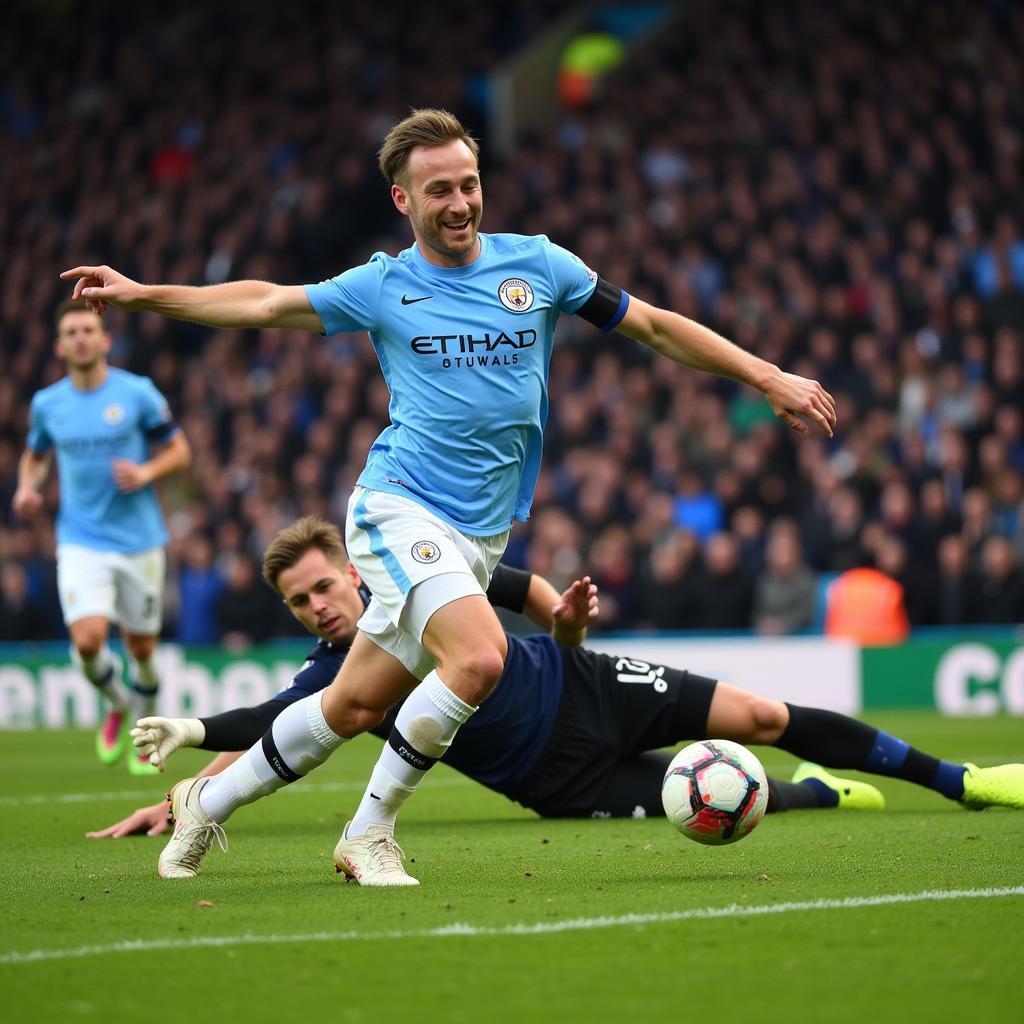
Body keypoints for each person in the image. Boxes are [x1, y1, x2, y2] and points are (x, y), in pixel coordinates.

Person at [62, 108, 837, 885]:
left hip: (480, 534)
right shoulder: (384, 285)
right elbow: (264, 303)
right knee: (479, 657)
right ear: (403, 200)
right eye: (439, 191)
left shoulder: (539, 266)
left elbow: (658, 328)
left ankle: (208, 799)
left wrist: (765, 374)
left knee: (353, 707)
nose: (460, 202)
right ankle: (368, 834)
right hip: (397, 506)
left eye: (469, 184)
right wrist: (142, 297)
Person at [89, 517, 1024, 857]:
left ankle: (960, 780)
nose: (318, 609)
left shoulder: (429, 575)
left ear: (352, 565)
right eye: (299, 604)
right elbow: (274, 725)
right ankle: (818, 792)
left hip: (592, 683)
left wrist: (569, 618)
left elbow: (542, 603)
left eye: (324, 586)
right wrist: (185, 776)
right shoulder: (343, 672)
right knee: (710, 801)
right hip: (555, 781)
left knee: (766, 715)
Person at [12, 298, 191, 773]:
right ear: (59, 346)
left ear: (105, 340)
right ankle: (118, 704)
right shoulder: (48, 404)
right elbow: (35, 454)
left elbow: (179, 450)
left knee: (142, 649)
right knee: (89, 642)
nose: (81, 338)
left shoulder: (137, 394)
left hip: (140, 540)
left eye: (88, 330)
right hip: (80, 540)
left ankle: (144, 722)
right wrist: (28, 487)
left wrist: (146, 471)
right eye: (71, 332)